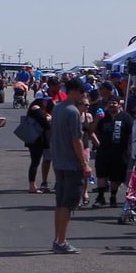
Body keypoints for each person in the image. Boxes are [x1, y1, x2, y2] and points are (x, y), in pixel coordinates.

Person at [47, 81, 89, 252]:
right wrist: (84, 163)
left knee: (60, 203)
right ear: (72, 92)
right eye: (81, 92)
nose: (83, 96)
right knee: (67, 204)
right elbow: (76, 140)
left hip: (59, 160)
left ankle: (58, 238)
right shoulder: (72, 112)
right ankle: (61, 241)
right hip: (71, 163)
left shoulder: (57, 108)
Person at [92, 92, 133, 207]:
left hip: (119, 151)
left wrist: (129, 147)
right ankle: (100, 197)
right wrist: (96, 120)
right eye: (110, 103)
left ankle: (113, 196)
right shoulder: (103, 116)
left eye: (114, 103)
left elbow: (131, 133)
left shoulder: (126, 117)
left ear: (119, 105)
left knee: (116, 176)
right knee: (101, 174)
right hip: (103, 150)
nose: (112, 105)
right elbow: (92, 130)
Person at [23, 97, 51, 194]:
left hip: (39, 140)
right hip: (36, 140)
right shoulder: (35, 108)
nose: (47, 103)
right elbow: (44, 122)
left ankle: (33, 185)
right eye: (45, 101)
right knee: (35, 162)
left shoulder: (41, 110)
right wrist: (49, 117)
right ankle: (32, 185)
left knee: (37, 161)